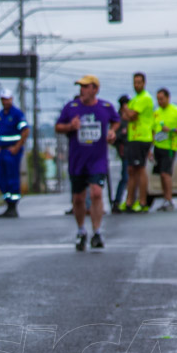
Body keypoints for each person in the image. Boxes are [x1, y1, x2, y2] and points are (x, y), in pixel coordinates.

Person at [55, 75, 120, 251]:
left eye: (85, 86)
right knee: (78, 198)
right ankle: (81, 230)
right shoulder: (71, 107)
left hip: (97, 159)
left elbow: (117, 121)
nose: (81, 90)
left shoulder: (105, 107)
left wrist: (113, 132)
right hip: (77, 160)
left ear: (95, 89)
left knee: (97, 193)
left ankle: (97, 232)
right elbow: (58, 127)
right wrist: (70, 127)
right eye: (80, 87)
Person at [120, 72, 154, 213]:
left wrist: (126, 108)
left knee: (140, 169)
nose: (136, 85)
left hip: (142, 137)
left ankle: (142, 201)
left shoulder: (145, 98)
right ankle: (129, 201)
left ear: (144, 83)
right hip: (133, 137)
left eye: (139, 82)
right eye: (135, 82)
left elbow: (131, 115)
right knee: (131, 170)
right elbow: (124, 116)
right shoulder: (135, 99)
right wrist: (127, 111)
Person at [152, 88, 177, 212]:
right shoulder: (156, 112)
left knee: (166, 173)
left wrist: (172, 130)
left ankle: (169, 199)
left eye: (162, 99)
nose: (160, 101)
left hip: (170, 147)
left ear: (168, 98)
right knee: (160, 174)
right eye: (158, 99)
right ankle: (165, 198)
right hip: (158, 146)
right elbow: (153, 130)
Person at [0, 88, 29, 217]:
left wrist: (17, 147)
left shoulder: (17, 114)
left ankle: (13, 206)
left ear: (11, 99)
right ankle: (7, 202)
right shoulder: (0, 114)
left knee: (12, 177)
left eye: (7, 99)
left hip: (12, 151)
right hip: (3, 150)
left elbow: (25, 131)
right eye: (3, 99)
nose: (5, 101)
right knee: (1, 178)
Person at [111, 95, 130, 212]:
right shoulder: (119, 121)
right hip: (125, 152)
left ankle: (129, 201)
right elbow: (114, 138)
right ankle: (117, 201)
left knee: (130, 178)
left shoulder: (130, 118)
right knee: (125, 177)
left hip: (134, 150)